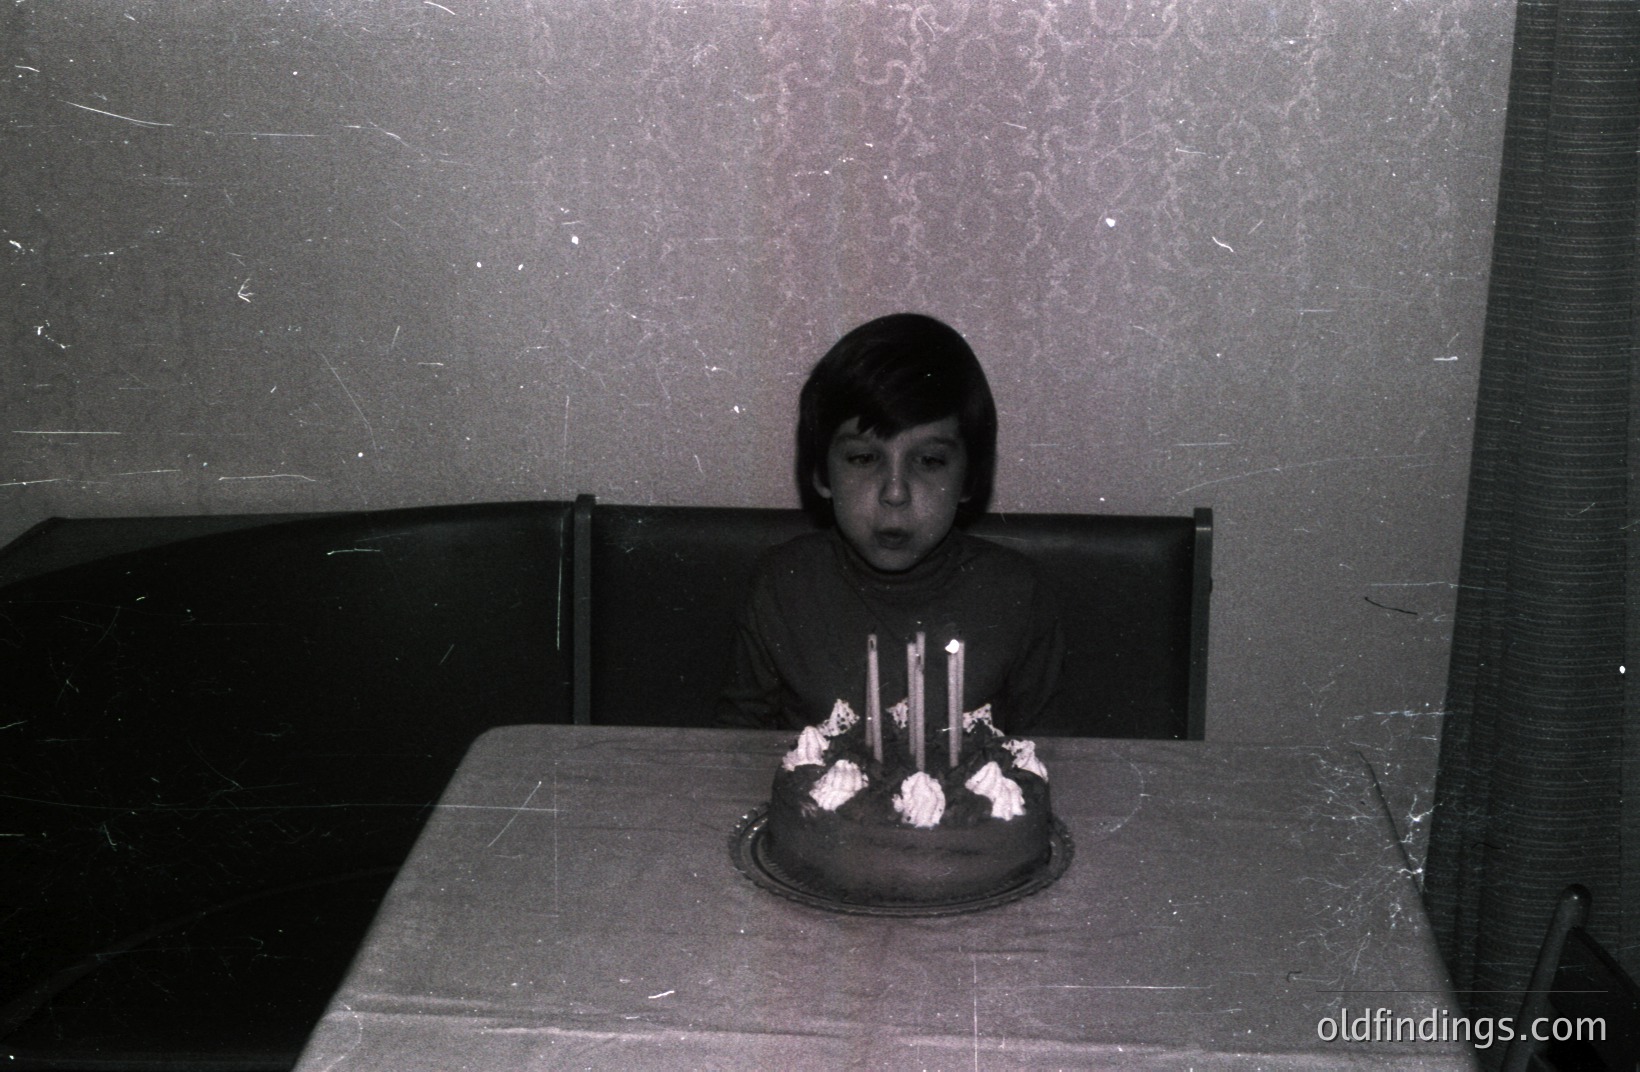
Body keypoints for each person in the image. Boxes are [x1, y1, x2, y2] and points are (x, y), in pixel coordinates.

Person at [716, 312, 1063, 735]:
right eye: (863, 459)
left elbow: (1048, 759)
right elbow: (734, 748)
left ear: (970, 478)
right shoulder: (781, 585)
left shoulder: (1017, 594)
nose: (895, 492)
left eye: (930, 461)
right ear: (822, 475)